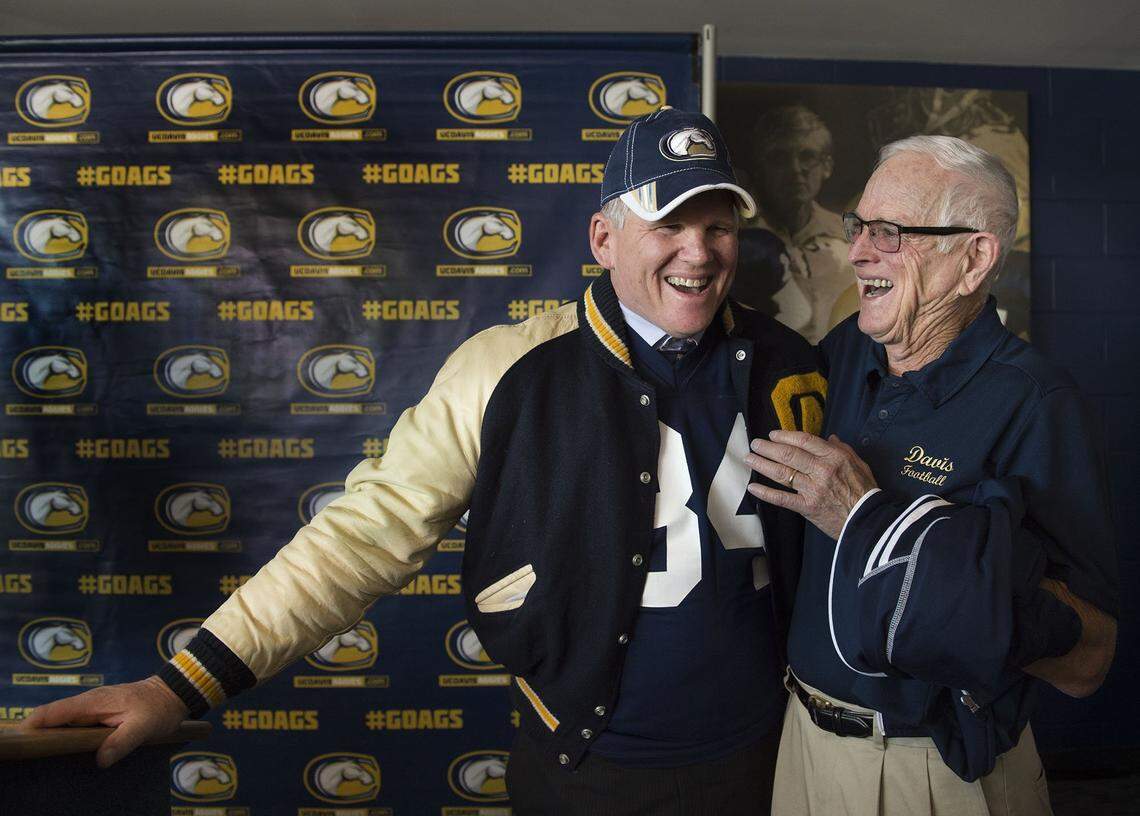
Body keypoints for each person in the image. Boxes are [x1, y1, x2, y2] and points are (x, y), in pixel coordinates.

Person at [22, 108, 823, 815]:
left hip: (769, 761)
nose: (700, 251)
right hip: (587, 772)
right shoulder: (505, 368)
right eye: (670, 224)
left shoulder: (792, 359)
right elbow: (363, 536)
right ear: (604, 237)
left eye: (718, 225)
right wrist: (180, 686)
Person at [744, 134, 1118, 815]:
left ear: (974, 258)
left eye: (890, 232)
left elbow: (1090, 659)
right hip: (801, 744)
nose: (858, 251)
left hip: (930, 771)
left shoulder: (1036, 404)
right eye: (860, 227)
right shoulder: (846, 349)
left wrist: (873, 524)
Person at [740, 105, 855, 344]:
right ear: (759, 168)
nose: (794, 170)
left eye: (807, 156)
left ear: (827, 167)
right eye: (779, 158)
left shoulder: (850, 239)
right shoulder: (736, 238)